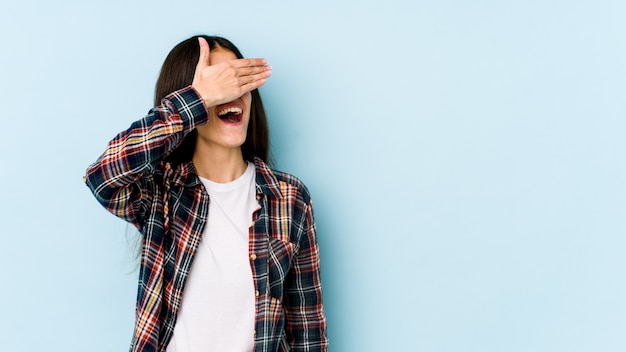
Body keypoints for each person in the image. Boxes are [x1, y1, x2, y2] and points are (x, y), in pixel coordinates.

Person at [84, 35, 328, 352]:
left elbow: (307, 332)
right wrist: (200, 97)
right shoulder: (160, 191)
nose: (233, 96)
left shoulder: (289, 197)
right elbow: (103, 175)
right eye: (220, 85)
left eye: (239, 82)